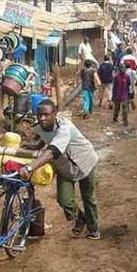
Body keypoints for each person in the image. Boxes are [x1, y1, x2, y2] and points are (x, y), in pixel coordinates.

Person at [19, 99, 100, 240]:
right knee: (64, 200)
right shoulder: (39, 127)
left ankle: (93, 229)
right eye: (39, 115)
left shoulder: (64, 128)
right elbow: (45, 139)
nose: (42, 118)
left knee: (88, 198)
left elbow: (52, 151)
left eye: (46, 115)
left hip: (85, 162)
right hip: (64, 167)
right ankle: (80, 218)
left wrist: (30, 167)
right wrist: (34, 146)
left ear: (54, 114)